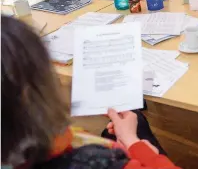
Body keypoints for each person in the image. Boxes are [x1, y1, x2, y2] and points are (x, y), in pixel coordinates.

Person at [1, 16, 180, 169]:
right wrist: (135, 145)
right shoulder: (99, 162)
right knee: (136, 122)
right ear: (29, 97)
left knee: (130, 122)